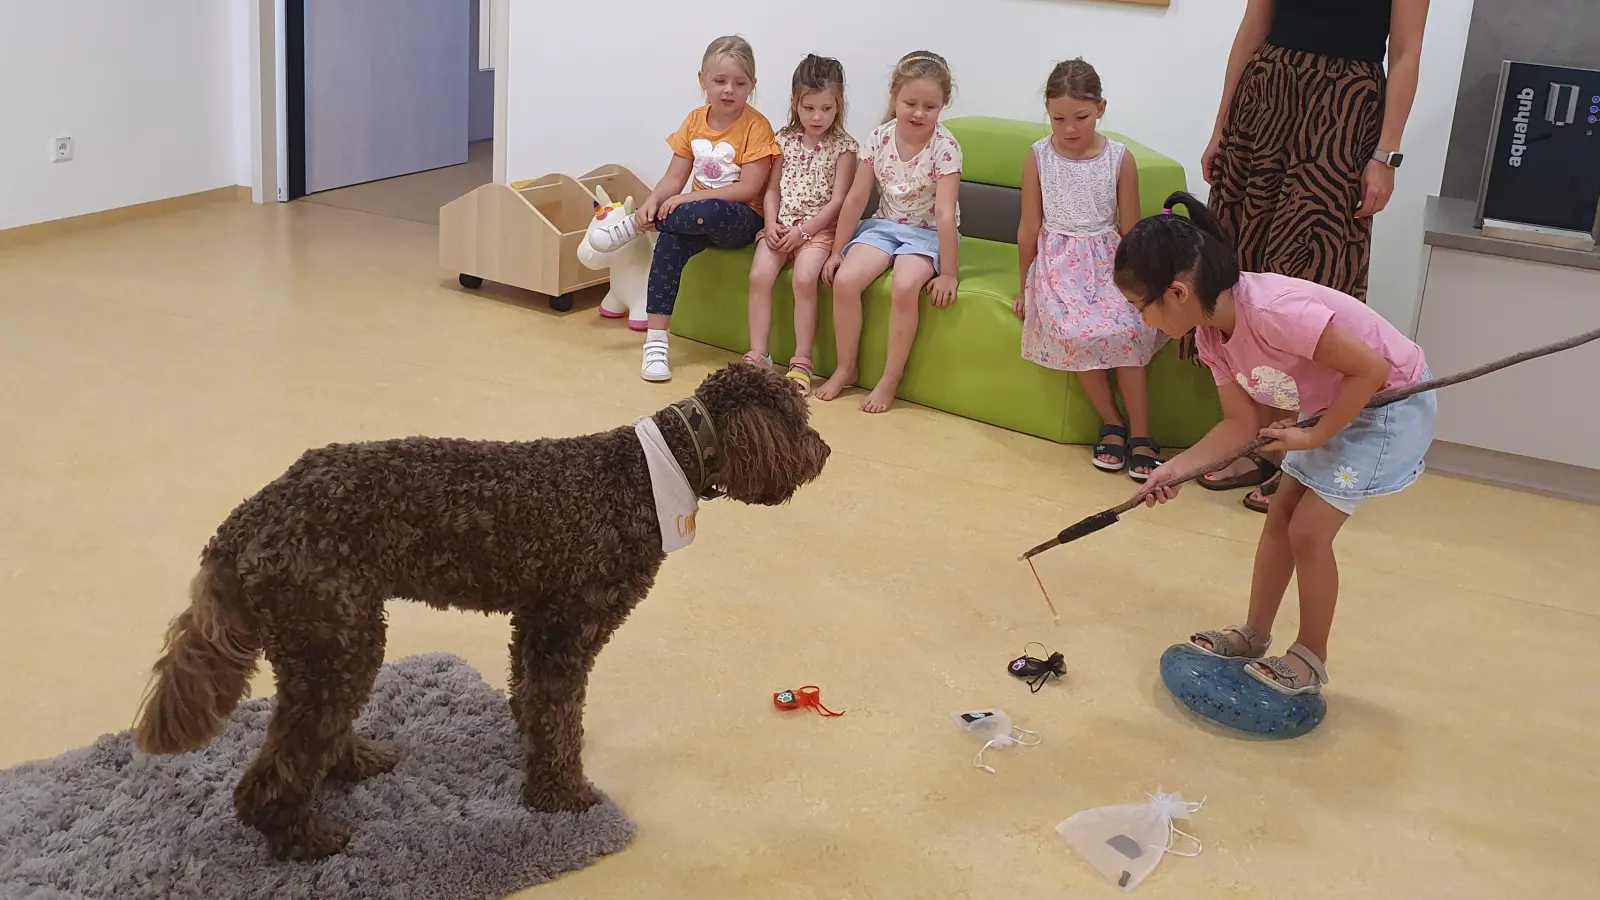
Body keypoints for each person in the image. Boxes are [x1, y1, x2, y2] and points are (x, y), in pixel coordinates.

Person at [1120, 192, 1435, 695]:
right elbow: (1239, 424)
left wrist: (1315, 434)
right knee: (1282, 513)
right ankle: (1254, 634)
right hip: (1333, 410)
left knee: (1309, 533)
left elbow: (1372, 369)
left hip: (1388, 406)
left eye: (1142, 308)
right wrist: (1174, 469)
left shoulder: (1272, 312)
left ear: (1177, 293)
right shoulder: (1208, 334)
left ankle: (1311, 656)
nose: (1143, 322)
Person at [1198, 0, 1431, 512]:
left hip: (1344, 114)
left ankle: (1297, 454)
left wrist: (1385, 155)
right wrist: (1222, 125)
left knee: (1311, 272)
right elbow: (1254, 26)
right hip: (1267, 101)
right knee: (1244, 267)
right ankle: (1251, 440)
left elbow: (1407, 51)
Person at [587, 35, 780, 382]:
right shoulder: (694, 121)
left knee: (710, 209)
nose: (728, 90)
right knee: (670, 244)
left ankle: (633, 227)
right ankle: (656, 342)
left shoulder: (756, 126)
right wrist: (651, 203)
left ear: (752, 85)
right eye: (719, 81)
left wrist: (685, 200)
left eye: (739, 83)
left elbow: (748, 188)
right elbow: (674, 178)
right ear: (702, 80)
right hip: (692, 219)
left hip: (737, 219)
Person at [1013, 59, 1165, 480]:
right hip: (1058, 265)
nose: (1069, 128)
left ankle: (1143, 435)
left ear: (1100, 108)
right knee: (1076, 331)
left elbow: (1132, 232)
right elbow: (1029, 227)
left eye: (1080, 117)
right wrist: (1025, 287)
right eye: (1058, 118)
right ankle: (1112, 423)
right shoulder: (1038, 157)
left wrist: (1141, 289)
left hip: (1110, 262)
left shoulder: (1120, 158)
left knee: (1131, 328)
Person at [815, 51, 962, 413]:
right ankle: (846, 367)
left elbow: (944, 213)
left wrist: (949, 274)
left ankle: (889, 379)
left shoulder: (946, 148)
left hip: (926, 232)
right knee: (847, 280)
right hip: (884, 226)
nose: (918, 113)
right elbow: (856, 198)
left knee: (905, 285)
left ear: (943, 106)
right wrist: (837, 250)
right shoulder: (880, 138)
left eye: (930, 106)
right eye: (910, 103)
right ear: (894, 97)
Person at [744, 54, 858, 396]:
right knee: (759, 276)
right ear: (796, 103)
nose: (817, 116)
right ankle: (759, 355)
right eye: (809, 108)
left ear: (838, 105)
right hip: (780, 226)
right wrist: (770, 223)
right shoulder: (783, 140)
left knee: (806, 279)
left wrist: (804, 231)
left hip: (818, 232)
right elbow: (772, 188)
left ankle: (801, 362)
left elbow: (839, 201)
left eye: (826, 108)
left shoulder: (845, 148)